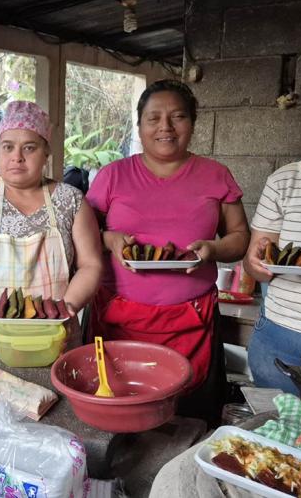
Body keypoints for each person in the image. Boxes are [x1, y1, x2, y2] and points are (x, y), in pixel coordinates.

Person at [86, 79, 250, 424]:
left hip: (193, 322)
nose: (166, 127)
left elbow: (239, 238)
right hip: (118, 320)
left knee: (188, 419)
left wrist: (213, 248)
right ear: (139, 125)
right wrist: (109, 239)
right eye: (154, 118)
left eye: (178, 117)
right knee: (120, 412)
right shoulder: (112, 175)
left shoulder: (216, 175)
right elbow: (82, 237)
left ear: (192, 123)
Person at [0, 100, 103, 396]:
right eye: (7, 147)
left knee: (55, 411)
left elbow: (91, 264)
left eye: (29, 147)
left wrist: (67, 308)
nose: (16, 157)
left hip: (55, 333)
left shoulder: (70, 200)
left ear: (46, 153)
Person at [243, 71, 301, 393]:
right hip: (279, 337)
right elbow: (255, 264)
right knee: (276, 423)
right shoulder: (283, 182)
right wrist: (256, 263)